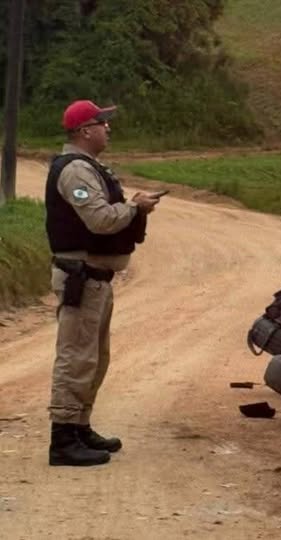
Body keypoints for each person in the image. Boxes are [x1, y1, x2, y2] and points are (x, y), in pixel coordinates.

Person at [45, 100, 161, 466]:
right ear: (84, 131)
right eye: (101, 122)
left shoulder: (86, 167)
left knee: (94, 357)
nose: (108, 128)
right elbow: (100, 220)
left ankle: (79, 426)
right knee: (77, 357)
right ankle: (63, 438)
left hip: (94, 278)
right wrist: (135, 207)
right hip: (81, 277)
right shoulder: (75, 170)